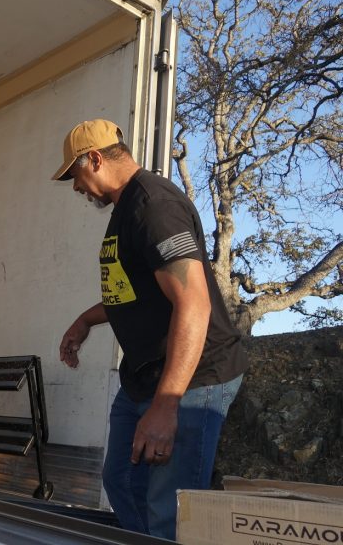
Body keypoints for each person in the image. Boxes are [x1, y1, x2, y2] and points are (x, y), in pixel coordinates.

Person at [52, 119, 248, 540]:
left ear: (95, 159)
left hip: (193, 378)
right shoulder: (125, 211)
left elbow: (193, 301)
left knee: (170, 512)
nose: (75, 187)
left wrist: (168, 404)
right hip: (143, 377)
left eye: (75, 175)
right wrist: (86, 319)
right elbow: (135, 291)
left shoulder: (153, 205)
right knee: (121, 482)